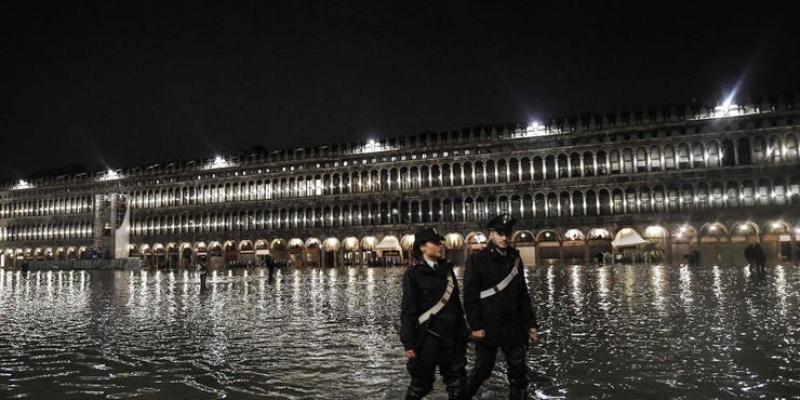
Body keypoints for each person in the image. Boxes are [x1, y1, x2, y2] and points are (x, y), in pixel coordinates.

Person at [463, 214, 539, 400]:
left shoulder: (515, 258)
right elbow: (470, 297)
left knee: (518, 374)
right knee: (482, 370)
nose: (505, 237)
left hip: (514, 327)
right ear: (491, 235)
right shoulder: (477, 260)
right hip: (488, 327)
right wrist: (475, 326)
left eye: (507, 233)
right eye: (500, 233)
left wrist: (531, 324)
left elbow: (523, 294)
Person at [400, 227, 467, 400]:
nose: (440, 246)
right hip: (428, 338)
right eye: (435, 243)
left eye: (440, 242)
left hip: (452, 338)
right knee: (420, 386)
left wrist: (463, 332)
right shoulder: (413, 274)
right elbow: (408, 310)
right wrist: (408, 343)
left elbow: (455, 305)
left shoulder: (447, 270)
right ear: (422, 247)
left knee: (457, 385)